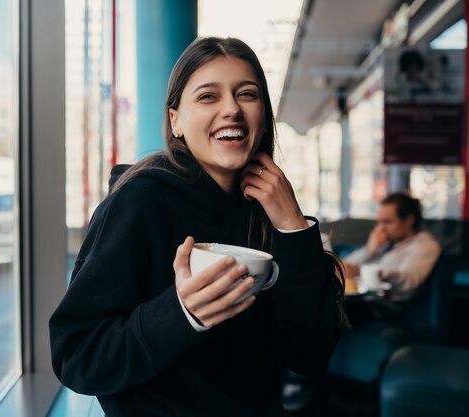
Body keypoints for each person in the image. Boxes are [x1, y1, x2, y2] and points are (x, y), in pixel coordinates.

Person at [49, 37, 345, 417]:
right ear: (176, 120)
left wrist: (294, 225)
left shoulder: (268, 210)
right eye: (208, 96)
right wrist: (181, 313)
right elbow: (77, 357)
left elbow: (306, 353)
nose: (232, 110)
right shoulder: (140, 201)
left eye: (247, 94)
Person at [342, 192, 441, 295]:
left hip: (387, 306)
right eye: (379, 222)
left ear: (409, 220)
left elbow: (408, 280)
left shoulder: (425, 245)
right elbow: (343, 268)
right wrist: (368, 250)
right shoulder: (385, 242)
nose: (381, 228)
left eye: (387, 222)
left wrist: (370, 273)